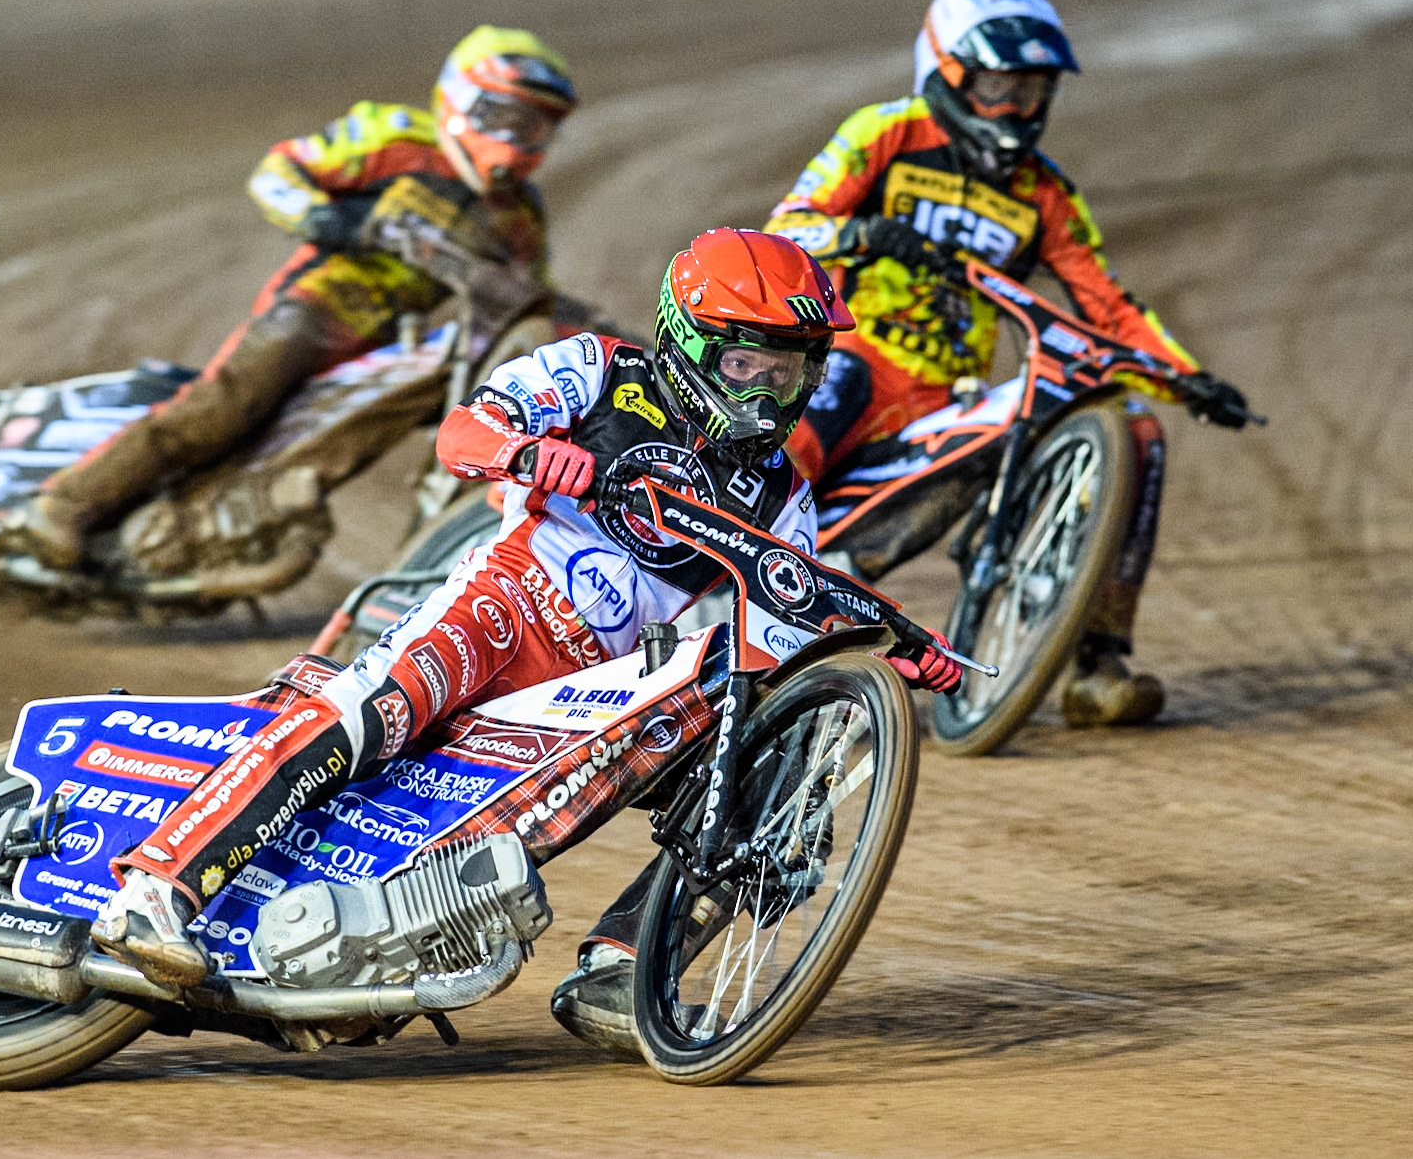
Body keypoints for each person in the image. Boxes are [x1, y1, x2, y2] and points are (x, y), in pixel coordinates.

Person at [88, 229, 962, 994]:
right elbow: (462, 435)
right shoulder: (596, 369)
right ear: (690, 342)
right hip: (503, 604)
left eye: (792, 370)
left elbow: (772, 642)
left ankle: (623, 967)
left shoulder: (784, 496)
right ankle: (156, 891)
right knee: (367, 714)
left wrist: (866, 655)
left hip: (604, 684)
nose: (771, 394)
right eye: (748, 366)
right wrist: (535, 456)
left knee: (773, 785)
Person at [760, 0, 1249, 729]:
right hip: (852, 357)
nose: (1017, 110)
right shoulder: (883, 133)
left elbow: (1107, 305)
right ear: (946, 74)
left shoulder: (1045, 194)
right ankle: (689, 585)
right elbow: (787, 227)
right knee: (783, 455)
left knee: (1137, 433)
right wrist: (860, 233)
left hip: (949, 396)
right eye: (997, 87)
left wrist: (1188, 381)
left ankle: (1096, 663)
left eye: (1032, 91)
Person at [3, 25, 579, 571]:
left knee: (450, 417)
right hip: (315, 310)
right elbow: (281, 169)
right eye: (502, 117)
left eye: (535, 128)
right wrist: (325, 218)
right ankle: (65, 502)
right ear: (459, 101)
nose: (515, 140)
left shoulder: (521, 216)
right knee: (225, 409)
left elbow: (527, 300)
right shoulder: (396, 138)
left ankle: (406, 555)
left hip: (389, 344)